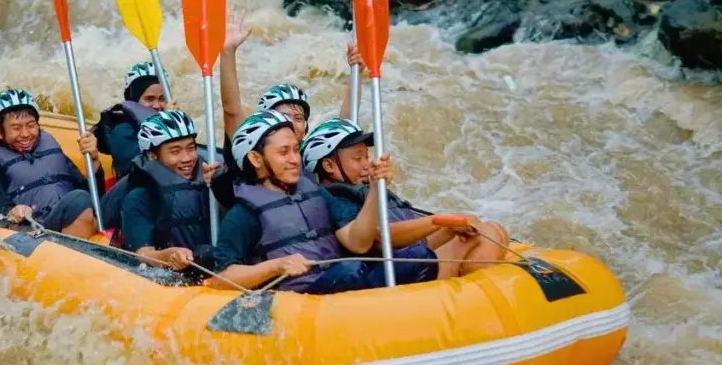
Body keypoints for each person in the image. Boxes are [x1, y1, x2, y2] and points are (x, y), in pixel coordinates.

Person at [210, 111, 397, 294]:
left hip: (341, 282)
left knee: (420, 254)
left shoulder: (315, 192)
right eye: (284, 152)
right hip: (302, 300)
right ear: (255, 159)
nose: (295, 160)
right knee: (351, 269)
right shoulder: (243, 214)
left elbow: (358, 244)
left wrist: (374, 189)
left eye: (296, 149)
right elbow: (222, 279)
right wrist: (276, 266)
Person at [301, 118, 511, 279]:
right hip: (398, 269)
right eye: (357, 158)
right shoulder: (334, 198)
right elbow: (379, 237)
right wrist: (439, 221)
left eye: (367, 156)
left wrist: (447, 227)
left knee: (490, 228)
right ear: (328, 165)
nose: (367, 164)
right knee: (485, 235)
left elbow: (412, 239)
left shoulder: (360, 185)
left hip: (413, 253)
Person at [0, 89, 104, 238]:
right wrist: (10, 210)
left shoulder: (50, 149)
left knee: (131, 184)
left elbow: (93, 195)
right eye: (16, 128)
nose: (25, 134)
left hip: (76, 214)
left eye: (31, 125)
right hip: (40, 229)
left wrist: (94, 159)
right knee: (78, 198)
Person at [120, 110, 219, 271]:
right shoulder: (139, 198)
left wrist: (221, 189)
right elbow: (143, 254)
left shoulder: (212, 181)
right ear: (152, 156)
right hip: (173, 277)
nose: (187, 158)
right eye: (175, 151)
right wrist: (168, 256)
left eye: (191, 148)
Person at [92, 61, 175, 177]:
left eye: (162, 99)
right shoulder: (122, 132)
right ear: (134, 100)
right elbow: (142, 171)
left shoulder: (177, 124)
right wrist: (166, 125)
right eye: (150, 99)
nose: (157, 105)